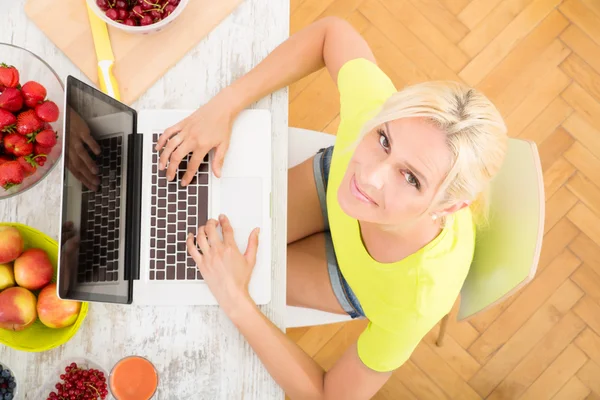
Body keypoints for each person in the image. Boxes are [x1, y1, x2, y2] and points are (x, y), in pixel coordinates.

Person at [155, 17, 507, 399]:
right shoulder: (377, 113)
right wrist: (223, 106)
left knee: (208, 274)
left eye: (411, 178)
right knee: (188, 238)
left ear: (450, 206)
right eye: (384, 140)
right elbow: (332, 33)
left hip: (357, 279)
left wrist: (239, 303)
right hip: (329, 187)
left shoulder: (414, 301)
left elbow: (328, 395)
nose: (370, 176)